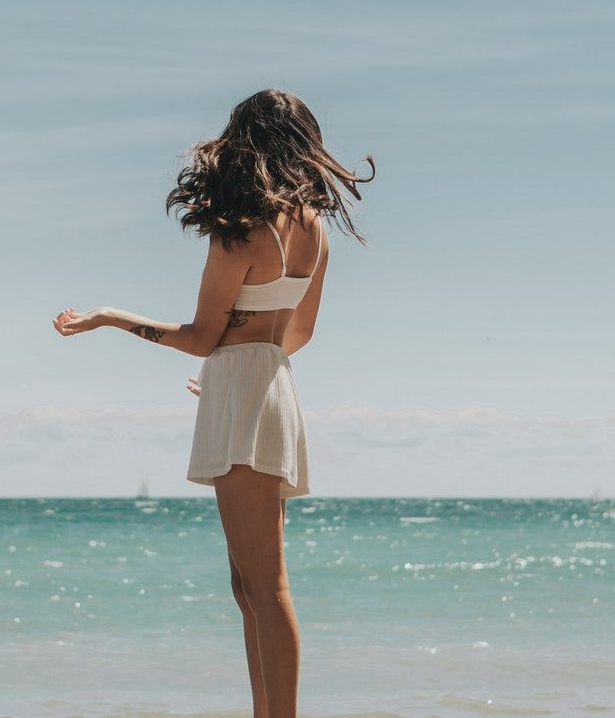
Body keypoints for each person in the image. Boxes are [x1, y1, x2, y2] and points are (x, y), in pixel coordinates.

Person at [52, 88, 374, 718]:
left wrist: (113, 318)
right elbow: (297, 332)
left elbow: (200, 337)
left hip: (247, 389)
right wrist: (240, 367)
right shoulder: (315, 230)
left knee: (266, 585)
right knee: (248, 585)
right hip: (271, 386)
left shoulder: (240, 233)